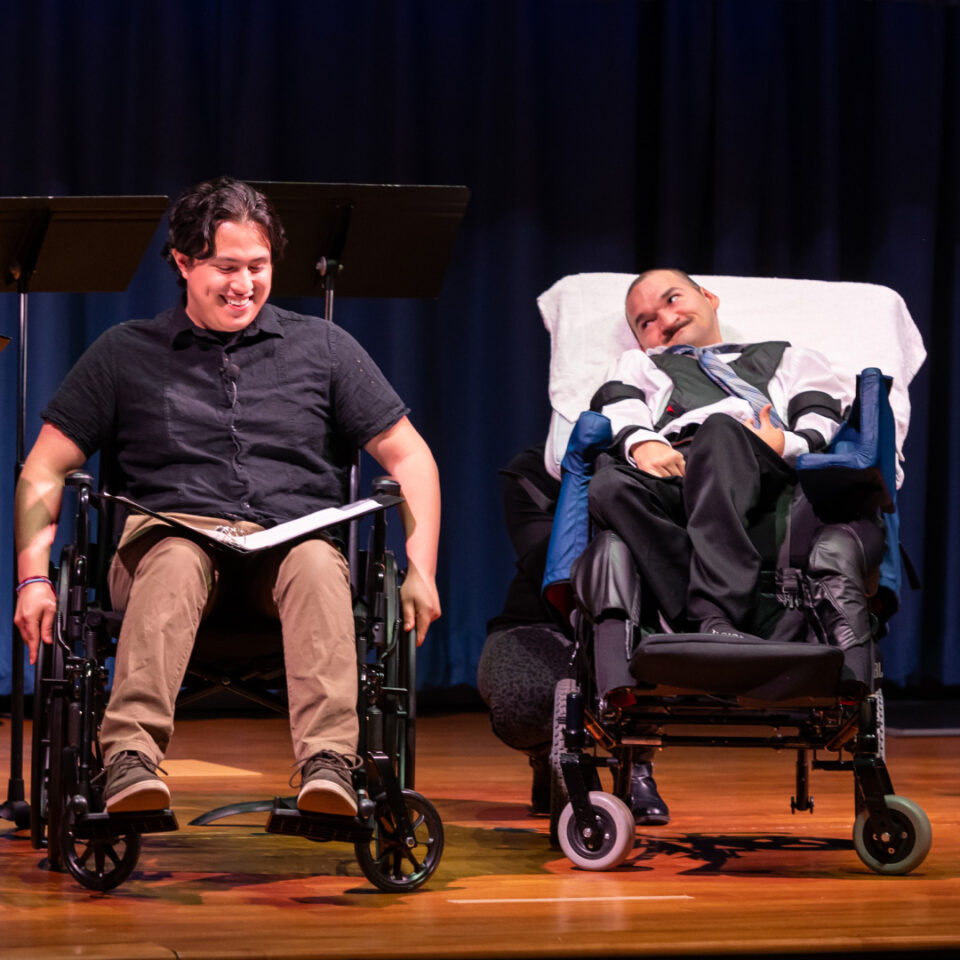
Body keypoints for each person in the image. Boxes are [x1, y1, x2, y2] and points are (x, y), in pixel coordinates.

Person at [13, 176, 441, 819]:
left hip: (286, 546)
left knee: (319, 563)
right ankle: (128, 760)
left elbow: (409, 454)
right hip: (168, 545)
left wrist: (422, 568)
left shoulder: (322, 348)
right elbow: (43, 468)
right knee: (178, 557)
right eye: (226, 267)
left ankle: (329, 763)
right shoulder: (125, 352)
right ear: (184, 262)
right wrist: (31, 580)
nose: (244, 284)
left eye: (258, 266)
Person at [588, 268, 847, 638]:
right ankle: (700, 620)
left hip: (762, 467)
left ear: (708, 298)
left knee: (721, 429)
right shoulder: (642, 364)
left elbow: (822, 418)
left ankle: (715, 612)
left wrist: (786, 444)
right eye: (645, 322)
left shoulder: (789, 357)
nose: (664, 319)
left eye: (672, 299)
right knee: (608, 486)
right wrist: (641, 441)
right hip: (677, 468)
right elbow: (620, 405)